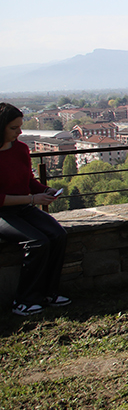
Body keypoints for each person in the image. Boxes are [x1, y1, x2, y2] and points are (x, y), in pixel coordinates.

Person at [1, 103, 70, 316]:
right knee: (37, 242)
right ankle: (23, 301)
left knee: (58, 235)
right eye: (14, 128)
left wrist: (46, 191)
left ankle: (49, 293)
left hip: (24, 208)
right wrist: (33, 199)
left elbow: (29, 182)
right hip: (3, 213)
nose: (19, 132)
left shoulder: (20, 149)